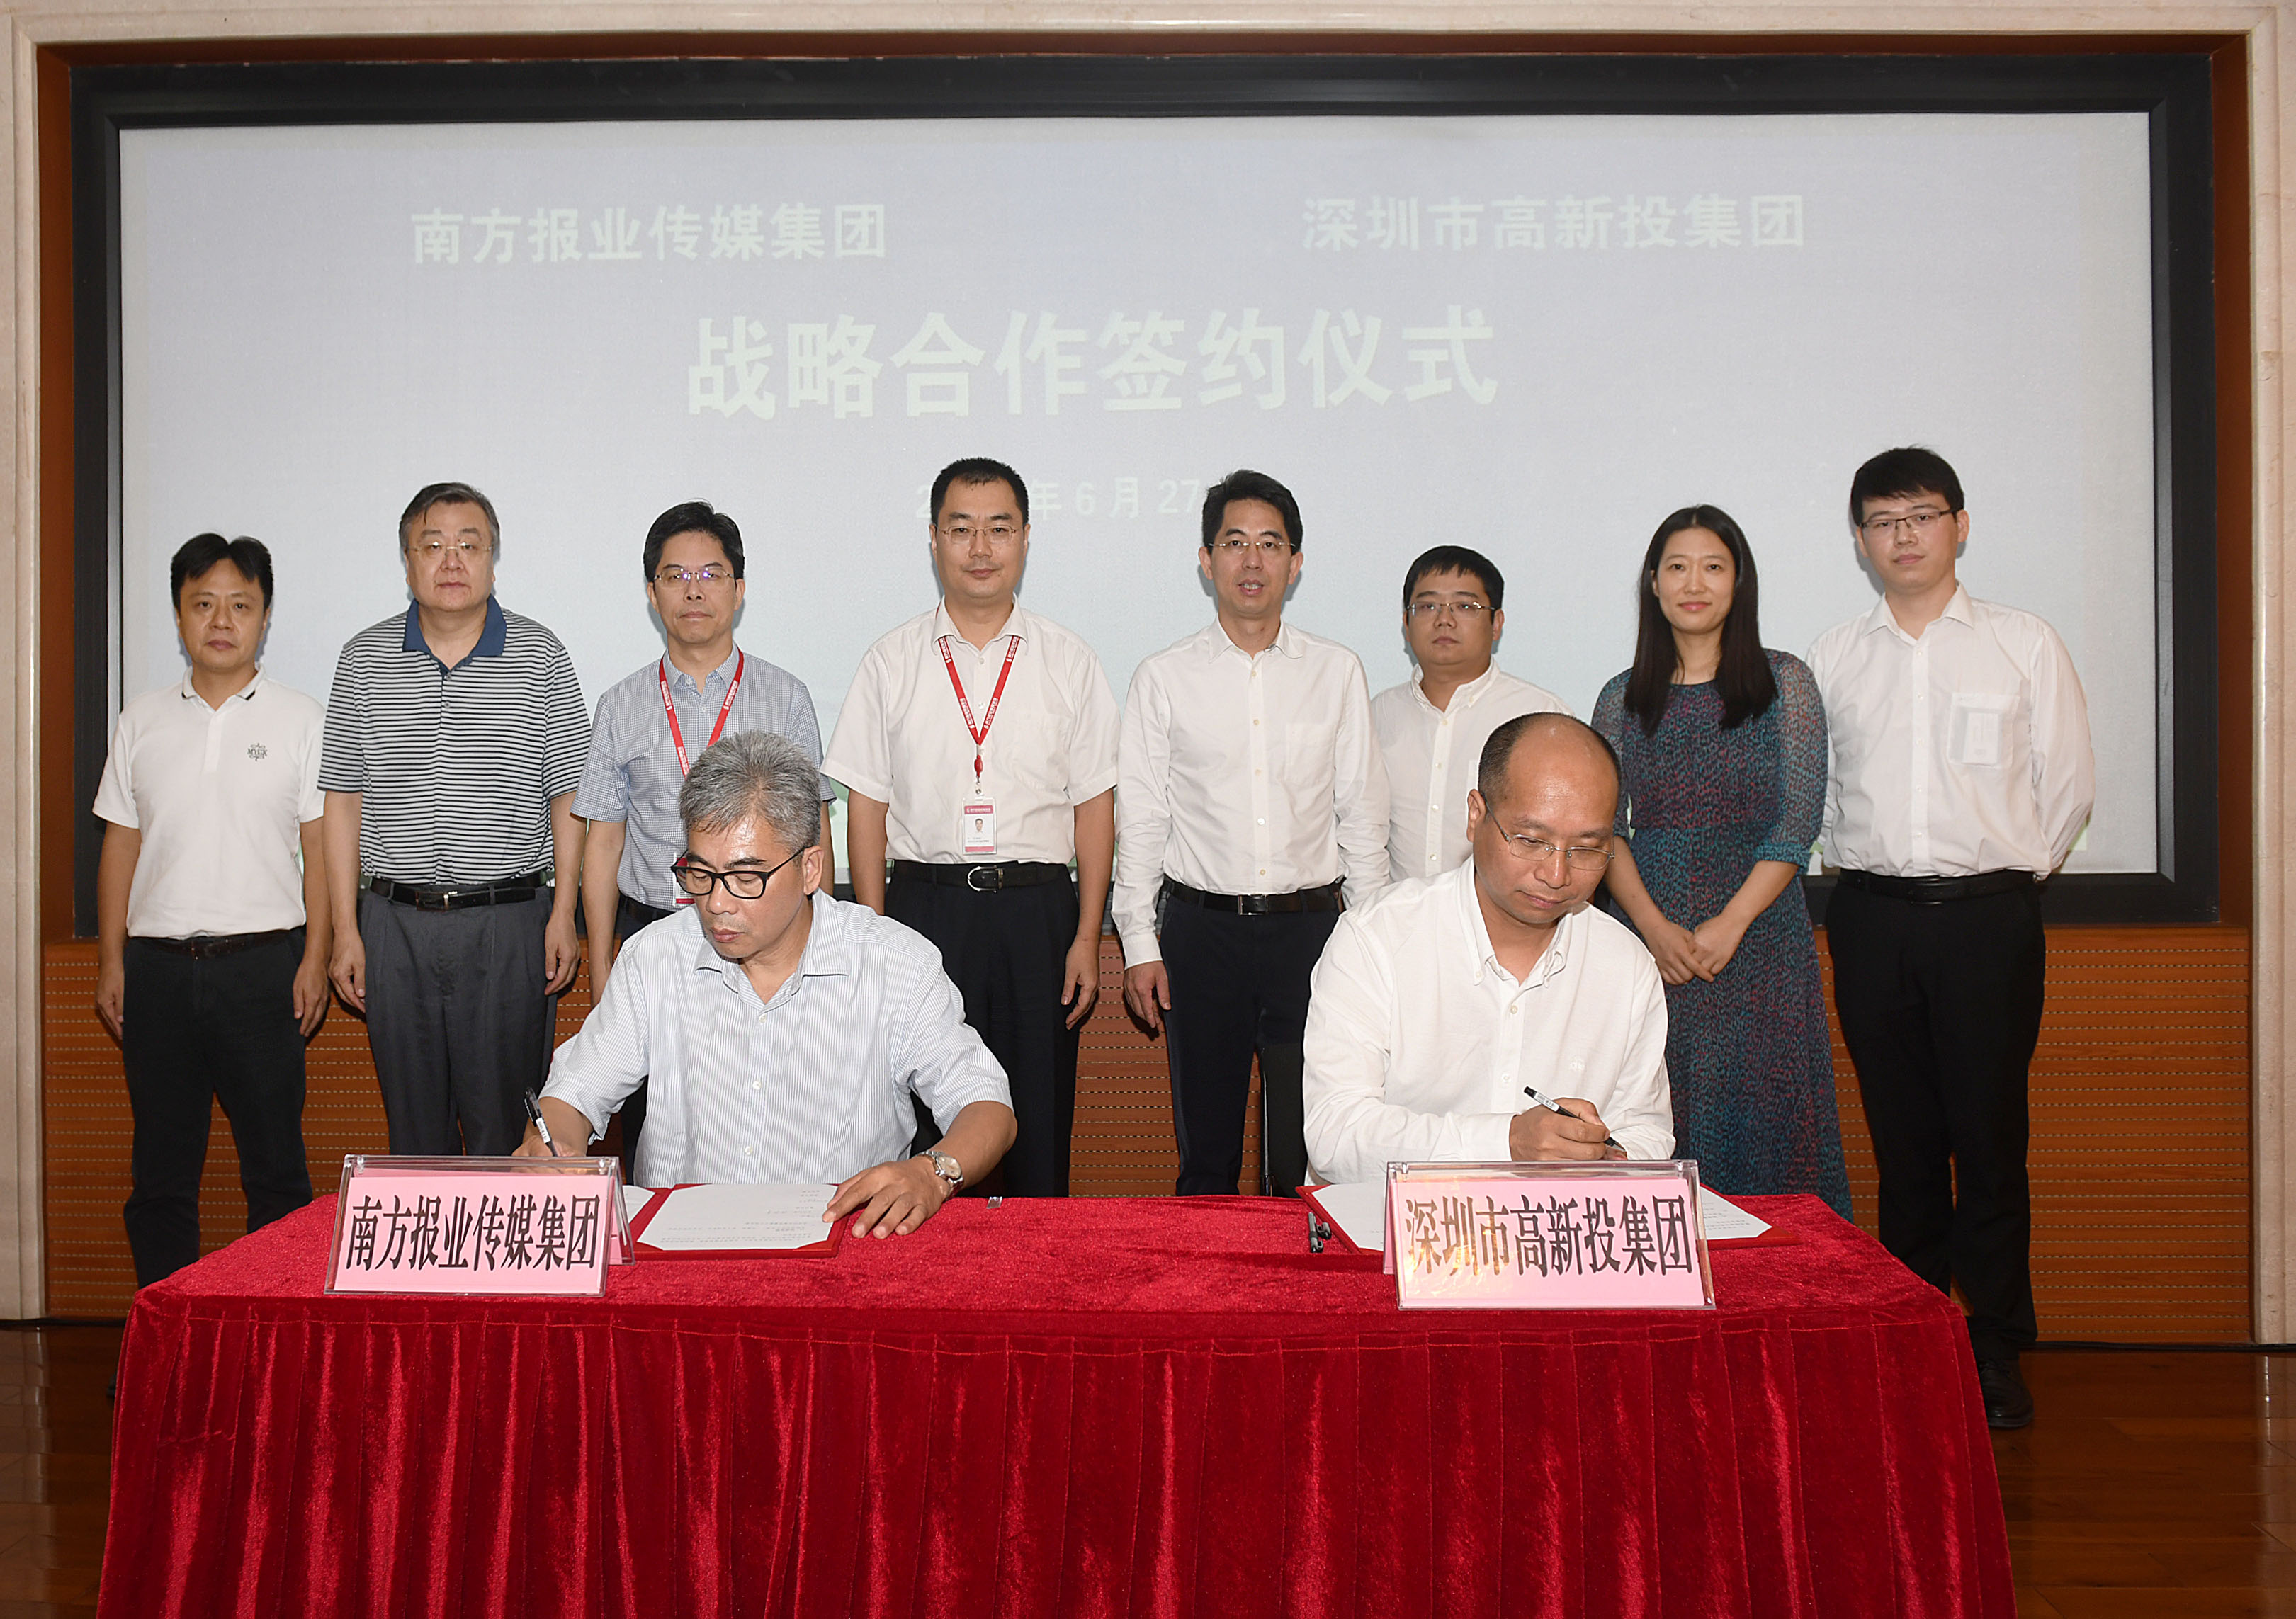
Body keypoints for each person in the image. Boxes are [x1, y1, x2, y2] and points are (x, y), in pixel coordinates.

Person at [1809, 446, 2094, 1432]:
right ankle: (1912, 1334)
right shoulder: (1833, 658)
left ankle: (1997, 1344)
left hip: (1987, 923)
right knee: (1904, 1144)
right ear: (1859, 541)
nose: (1904, 537)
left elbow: (2067, 789)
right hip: (1872, 918)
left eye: (1921, 516)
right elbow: (1823, 795)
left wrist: (2000, 878)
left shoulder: (2023, 643)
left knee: (1989, 1137)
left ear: (1959, 526)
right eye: (1882, 522)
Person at [521, 731, 1018, 1239]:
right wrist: (551, 1146)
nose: (716, 904)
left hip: (843, 1246)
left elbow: (987, 1107)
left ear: (809, 869)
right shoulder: (655, 958)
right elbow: (574, 1095)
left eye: (745, 878)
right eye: (700, 873)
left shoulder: (895, 965)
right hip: (681, 1252)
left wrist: (932, 1172)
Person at [823, 458, 1119, 1198]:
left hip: (1037, 913)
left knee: (1038, 1115)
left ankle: (1036, 1259)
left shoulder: (1069, 659)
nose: (980, 548)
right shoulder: (890, 660)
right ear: (933, 539)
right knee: (928, 1118)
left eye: (998, 529)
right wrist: (874, 937)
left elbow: (1094, 805)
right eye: (961, 529)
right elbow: (867, 807)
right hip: (927, 911)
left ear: (1025, 539)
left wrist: (1086, 935)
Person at [1115, 470, 1389, 1197]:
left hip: (1313, 934)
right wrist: (1138, 942)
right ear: (1206, 560)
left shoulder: (1336, 671)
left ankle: (1305, 1269)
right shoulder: (1163, 677)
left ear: (1295, 563)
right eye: (1234, 542)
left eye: (1270, 544)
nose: (1252, 560)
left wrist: (1375, 942)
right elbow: (1142, 819)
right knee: (1206, 1155)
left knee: (1308, 1155)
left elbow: (1361, 818)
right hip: (1201, 933)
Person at [1590, 506, 1850, 1219]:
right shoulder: (1620, 697)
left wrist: (1731, 923)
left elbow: (1795, 825)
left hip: (1760, 934)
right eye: (1676, 567)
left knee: (1766, 1115)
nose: (1693, 583)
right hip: (1650, 933)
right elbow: (1605, 830)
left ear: (1739, 582)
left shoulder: (1784, 683)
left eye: (1712, 567)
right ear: (1653, 583)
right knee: (1657, 1106)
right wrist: (1651, 928)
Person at [319, 482, 591, 1157]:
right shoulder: (363, 659)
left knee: (506, 1134)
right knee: (415, 1139)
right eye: (432, 545)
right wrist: (346, 929)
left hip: (508, 923)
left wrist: (564, 912)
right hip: (394, 926)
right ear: (407, 560)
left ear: (492, 560)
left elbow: (568, 795)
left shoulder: (540, 655)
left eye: (469, 545)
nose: (451, 561)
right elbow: (343, 800)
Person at [91, 534, 329, 1286]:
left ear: (265, 617)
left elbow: (321, 850)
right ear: (178, 615)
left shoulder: (302, 718)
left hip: (264, 969)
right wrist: (110, 961)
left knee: (277, 1173)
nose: (221, 621)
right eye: (203, 604)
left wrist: (316, 958)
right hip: (157, 971)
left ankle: (273, 1334)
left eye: (240, 605)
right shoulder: (141, 720)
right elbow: (121, 845)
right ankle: (167, 1336)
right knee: (161, 1178)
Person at [575, 501, 832, 1179]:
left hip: (765, 934)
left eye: (712, 574)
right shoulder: (621, 705)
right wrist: (604, 971)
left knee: (767, 1111)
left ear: (739, 590)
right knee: (659, 1126)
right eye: (675, 575)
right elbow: (603, 844)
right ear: (652, 592)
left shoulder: (784, 697)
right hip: (653, 930)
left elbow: (814, 836)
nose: (694, 590)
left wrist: (821, 951)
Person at [1303, 712, 1673, 1183]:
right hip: (1390, 1223)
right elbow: (1335, 1136)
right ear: (1475, 815)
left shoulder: (1624, 965)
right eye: (1531, 840)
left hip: (1553, 1222)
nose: (1556, 874)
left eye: (1585, 849)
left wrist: (1608, 1158)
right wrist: (1506, 1143)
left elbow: (1645, 1131)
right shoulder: (1378, 938)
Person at [1373, 545, 1569, 883]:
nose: (1444, 619)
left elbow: (1570, 836)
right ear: (1406, 622)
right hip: (1397, 910)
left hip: (1500, 914)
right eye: (1428, 606)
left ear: (1496, 624)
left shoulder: (1542, 717)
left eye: (1465, 606)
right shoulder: (1377, 715)